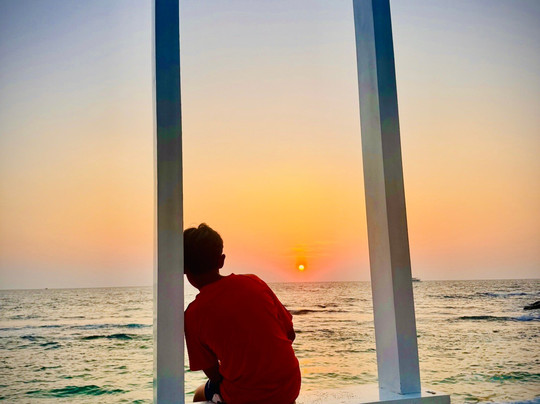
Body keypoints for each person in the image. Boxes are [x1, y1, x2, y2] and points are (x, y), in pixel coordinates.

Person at [183, 223, 301, 404]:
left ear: (183, 268)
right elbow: (290, 334)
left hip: (245, 396)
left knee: (200, 394)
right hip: (289, 385)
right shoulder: (253, 282)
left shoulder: (193, 315)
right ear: (221, 260)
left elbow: (213, 374)